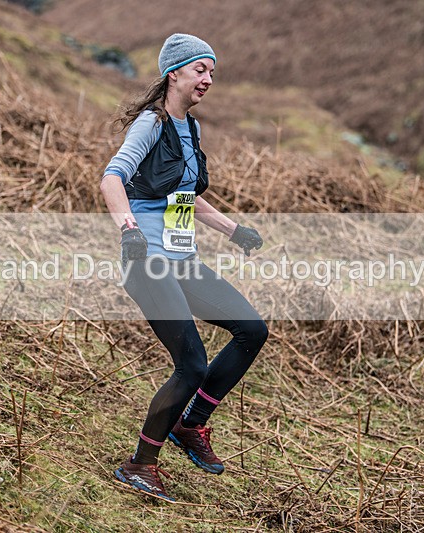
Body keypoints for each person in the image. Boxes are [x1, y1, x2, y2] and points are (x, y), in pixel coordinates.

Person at [100, 33, 268, 502]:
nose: (208, 79)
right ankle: (140, 464)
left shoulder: (188, 129)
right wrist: (129, 229)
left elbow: (186, 195)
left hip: (182, 260)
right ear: (174, 73)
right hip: (148, 261)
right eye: (201, 70)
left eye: (212, 71)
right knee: (191, 364)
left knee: (252, 329)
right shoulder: (151, 124)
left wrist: (233, 229)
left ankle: (190, 424)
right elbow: (112, 178)